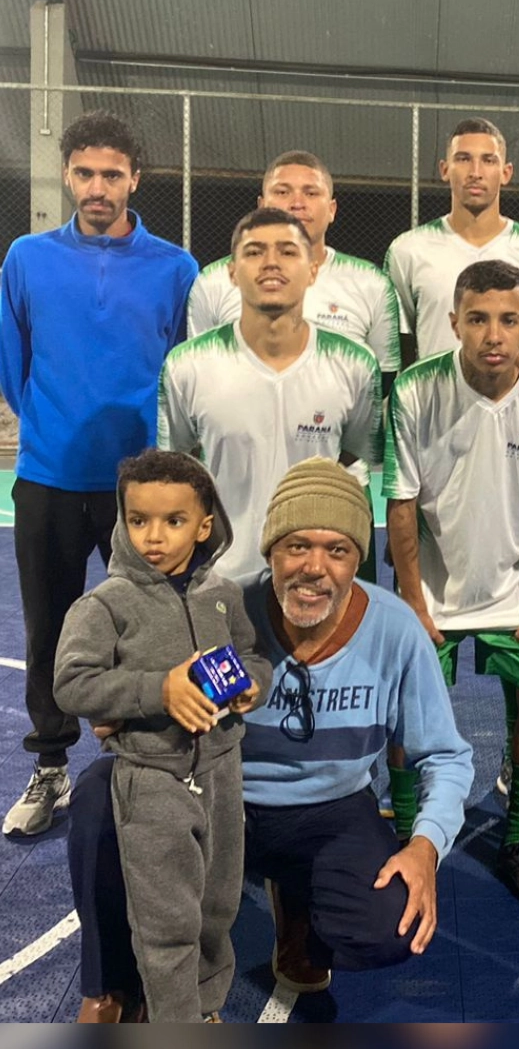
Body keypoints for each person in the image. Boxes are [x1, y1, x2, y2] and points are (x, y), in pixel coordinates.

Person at [65, 457, 474, 1022]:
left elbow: (447, 756)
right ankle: (111, 982)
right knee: (98, 796)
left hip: (330, 807)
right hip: (213, 792)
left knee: (384, 928)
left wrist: (426, 845)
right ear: (268, 551)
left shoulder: (396, 630)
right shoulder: (220, 606)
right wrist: (133, 700)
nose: (314, 568)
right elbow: (125, 686)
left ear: (359, 559)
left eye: (337, 550)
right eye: (296, 546)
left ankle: (298, 904)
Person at [0, 110, 197, 839]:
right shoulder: (26, 258)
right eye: (84, 172)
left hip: (142, 490)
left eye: (112, 174)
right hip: (49, 478)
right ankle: (50, 765)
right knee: (50, 627)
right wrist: (53, 427)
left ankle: (155, 763)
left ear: (135, 180)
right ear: (67, 176)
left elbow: (185, 369)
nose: (97, 187)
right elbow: (11, 365)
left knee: (150, 627)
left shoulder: (177, 268)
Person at [384, 260, 519, 905]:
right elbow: (401, 504)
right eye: (477, 319)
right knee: (405, 713)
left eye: (508, 319)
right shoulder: (415, 391)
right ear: (453, 323)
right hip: (435, 591)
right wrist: (413, 604)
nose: (493, 335)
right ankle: (410, 834)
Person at [54, 449, 271, 1023]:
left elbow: (251, 655)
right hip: (151, 780)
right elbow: (72, 685)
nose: (154, 536)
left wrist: (253, 685)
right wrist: (158, 691)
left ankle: (204, 1009)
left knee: (216, 909)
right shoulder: (106, 604)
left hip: (223, 772)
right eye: (138, 519)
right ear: (122, 520)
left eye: (174, 521)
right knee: (166, 924)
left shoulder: (223, 594)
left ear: (204, 525)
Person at [159, 207, 382, 579]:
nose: (271, 263)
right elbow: (178, 466)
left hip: (317, 579)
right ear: (231, 271)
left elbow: (357, 454)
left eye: (288, 251)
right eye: (254, 251)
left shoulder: (354, 365)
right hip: (220, 582)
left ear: (312, 270)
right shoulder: (187, 365)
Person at [187, 151, 400, 394]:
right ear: (262, 205)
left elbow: (382, 383)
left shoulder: (371, 283)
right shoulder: (212, 280)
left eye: (311, 193)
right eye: (282, 192)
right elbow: (199, 373)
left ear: (331, 209)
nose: (297, 203)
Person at [384, 117, 519, 363]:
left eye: (488, 160)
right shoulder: (407, 251)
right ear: (445, 169)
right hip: (436, 401)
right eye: (463, 159)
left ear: (506, 173)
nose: (476, 172)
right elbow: (399, 345)